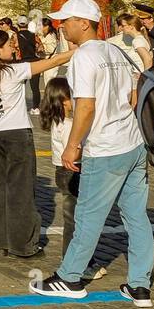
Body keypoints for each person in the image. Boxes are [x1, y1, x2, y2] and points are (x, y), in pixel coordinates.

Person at [31, 0, 154, 307]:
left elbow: (85, 106)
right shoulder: (115, 51)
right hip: (132, 143)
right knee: (136, 217)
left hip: (106, 147)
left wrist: (72, 146)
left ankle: (69, 277)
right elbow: (133, 91)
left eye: (67, 20)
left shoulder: (85, 57)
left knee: (87, 215)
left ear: (84, 23)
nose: (62, 26)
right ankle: (139, 285)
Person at [0, 26, 69, 257]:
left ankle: (3, 241)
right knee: (22, 190)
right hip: (17, 133)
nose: (13, 48)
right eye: (8, 45)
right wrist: (76, 51)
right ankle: (24, 244)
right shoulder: (13, 71)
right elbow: (51, 62)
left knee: (2, 188)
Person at [38, 77, 108, 281]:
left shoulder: (59, 122)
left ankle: (86, 260)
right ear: (61, 101)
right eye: (70, 98)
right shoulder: (68, 125)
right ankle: (77, 262)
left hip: (63, 172)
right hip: (72, 172)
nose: (74, 102)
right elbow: (75, 152)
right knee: (77, 221)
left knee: (77, 217)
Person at [38, 16, 68, 93]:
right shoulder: (45, 35)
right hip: (47, 60)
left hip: (51, 61)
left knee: (49, 82)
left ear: (47, 26)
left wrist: (42, 48)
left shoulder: (51, 36)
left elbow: (50, 49)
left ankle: (51, 100)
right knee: (47, 82)